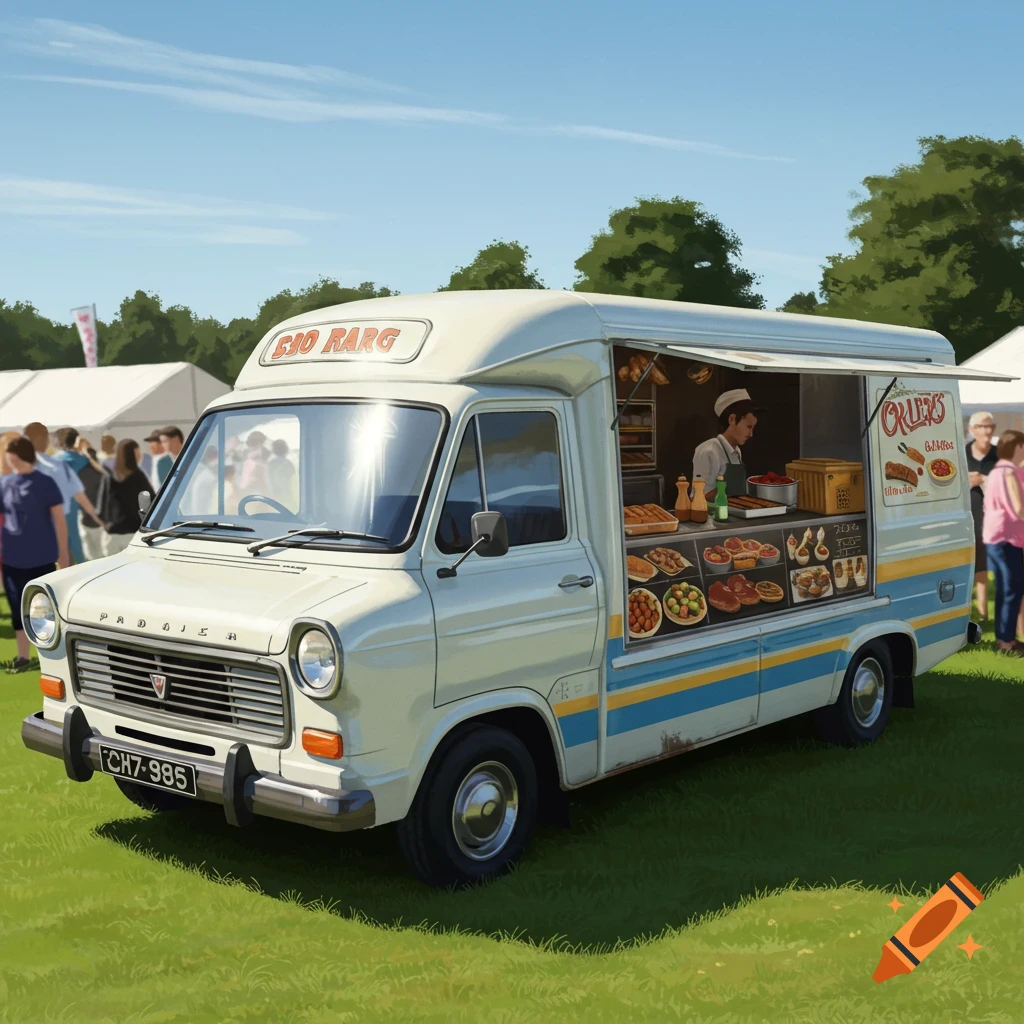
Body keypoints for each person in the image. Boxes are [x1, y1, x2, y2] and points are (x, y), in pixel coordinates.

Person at [1, 435, 69, 672]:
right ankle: (23, 656)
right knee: (17, 608)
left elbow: (59, 520)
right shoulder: (5, 484)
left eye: (9, 452)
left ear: (19, 454)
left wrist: (64, 555)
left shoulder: (45, 482)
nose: (7, 457)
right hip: (11, 557)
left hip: (41, 556)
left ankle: (52, 658)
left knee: (44, 609)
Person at [23, 422, 105, 553]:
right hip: (70, 512)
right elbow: (80, 492)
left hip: (39, 520)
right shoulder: (78, 461)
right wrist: (96, 516)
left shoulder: (22, 466)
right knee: (74, 550)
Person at [982, 429, 1024, 654]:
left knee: (1003, 590)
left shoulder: (998, 470)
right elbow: (1019, 509)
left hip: (995, 537)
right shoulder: (1008, 473)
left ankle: (1003, 638)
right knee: (1012, 589)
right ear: (1017, 447)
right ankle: (1006, 642)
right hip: (1007, 538)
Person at [691, 389, 762, 499]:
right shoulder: (708, 451)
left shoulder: (737, 451)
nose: (751, 434)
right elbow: (699, 497)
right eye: (748, 427)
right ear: (732, 419)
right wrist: (727, 487)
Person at [965, 411, 998, 620]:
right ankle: (974, 614)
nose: (986, 431)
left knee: (988, 569)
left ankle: (988, 616)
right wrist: (967, 481)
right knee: (972, 566)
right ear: (971, 430)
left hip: (994, 519)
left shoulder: (1000, 453)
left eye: (990, 427)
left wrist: (986, 480)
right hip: (968, 517)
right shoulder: (962, 454)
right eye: (981, 426)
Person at [97, 439, 152, 556]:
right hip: (133, 536)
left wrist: (108, 527)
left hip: (111, 537)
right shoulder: (139, 477)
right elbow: (152, 504)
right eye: (137, 452)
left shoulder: (109, 477)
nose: (139, 456)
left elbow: (100, 510)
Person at [53, 427, 90, 565]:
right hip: (81, 501)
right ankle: (80, 562)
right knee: (75, 537)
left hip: (61, 501)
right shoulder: (84, 460)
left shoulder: (55, 460)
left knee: (63, 537)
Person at [74, 437, 109, 561]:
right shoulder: (103, 473)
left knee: (91, 557)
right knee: (103, 556)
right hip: (100, 520)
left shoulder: (79, 473)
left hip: (86, 519)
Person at [268, 438, 297, 508]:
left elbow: (268, 480)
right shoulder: (289, 464)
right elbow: (293, 480)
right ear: (286, 450)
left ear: (274, 451)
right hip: (288, 494)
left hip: (275, 494)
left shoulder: (271, 464)